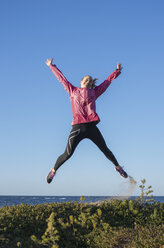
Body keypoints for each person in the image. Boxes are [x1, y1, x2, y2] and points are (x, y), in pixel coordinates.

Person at [45, 58, 128, 184]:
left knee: (105, 149)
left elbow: (106, 83)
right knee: (67, 153)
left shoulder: (94, 92)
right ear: (81, 81)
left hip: (91, 127)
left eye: (90, 80)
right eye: (86, 80)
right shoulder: (72, 90)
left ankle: (118, 168)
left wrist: (116, 71)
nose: (88, 81)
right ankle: (53, 171)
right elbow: (62, 79)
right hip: (77, 128)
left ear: (91, 84)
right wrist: (52, 66)